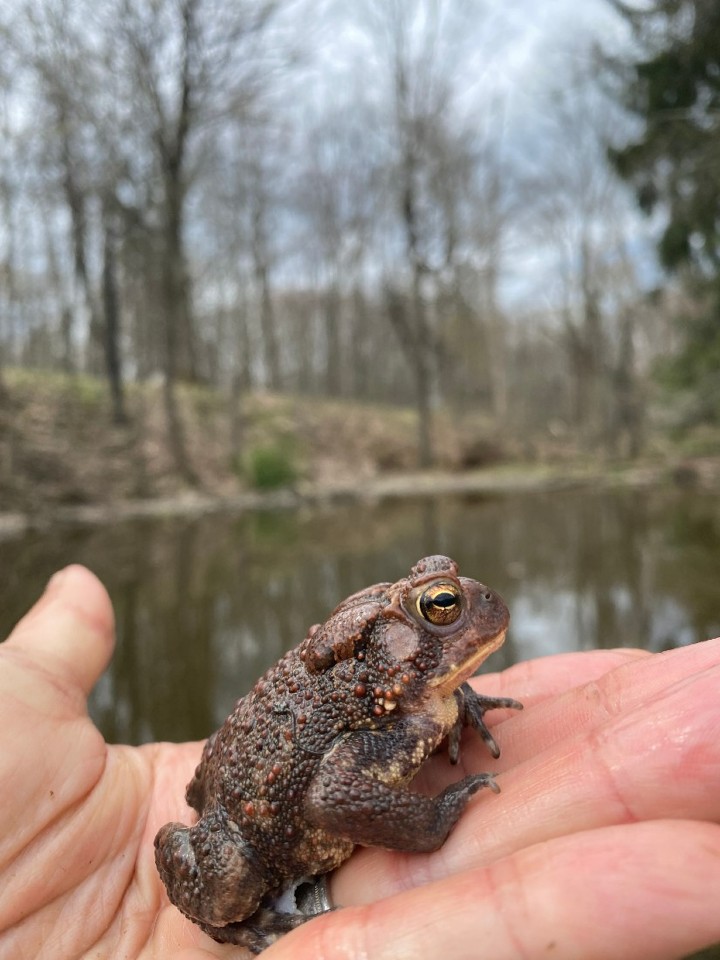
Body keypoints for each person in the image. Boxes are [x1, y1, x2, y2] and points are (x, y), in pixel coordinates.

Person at [1, 564, 719, 960]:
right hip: (249, 825)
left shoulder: (402, 689)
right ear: (388, 648)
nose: (468, 607)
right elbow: (331, 800)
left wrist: (456, 700)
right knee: (226, 884)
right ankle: (235, 926)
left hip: (266, 748)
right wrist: (436, 817)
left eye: (449, 593)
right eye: (443, 606)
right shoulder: (379, 705)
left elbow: (395, 721)